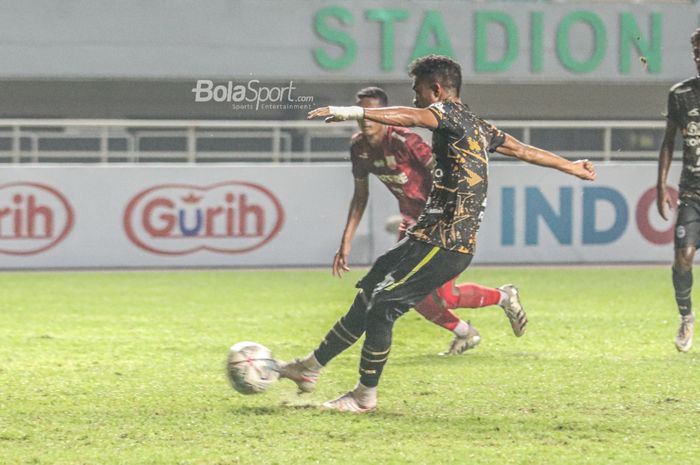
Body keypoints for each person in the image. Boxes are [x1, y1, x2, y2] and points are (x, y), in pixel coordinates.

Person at [280, 55, 596, 412]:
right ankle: (310, 368)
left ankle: (364, 396)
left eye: (418, 90)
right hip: (425, 234)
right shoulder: (478, 125)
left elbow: (412, 117)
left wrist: (353, 112)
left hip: (448, 241)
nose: (415, 97)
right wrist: (571, 166)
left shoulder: (444, 113)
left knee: (384, 305)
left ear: (436, 89)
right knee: (370, 291)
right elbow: (522, 150)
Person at [336, 85, 528, 355]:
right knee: (410, 294)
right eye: (362, 115)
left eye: (372, 114)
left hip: (444, 223)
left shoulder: (405, 141)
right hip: (413, 227)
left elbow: (443, 169)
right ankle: (466, 333)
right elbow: (360, 196)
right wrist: (346, 242)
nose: (366, 120)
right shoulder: (359, 147)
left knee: (446, 296)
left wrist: (455, 211)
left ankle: (504, 296)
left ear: (384, 115)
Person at [657, 28, 700, 353]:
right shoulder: (681, 94)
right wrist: (661, 185)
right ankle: (686, 317)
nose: (698, 58)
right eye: (696, 52)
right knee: (683, 259)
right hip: (692, 194)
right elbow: (669, 141)